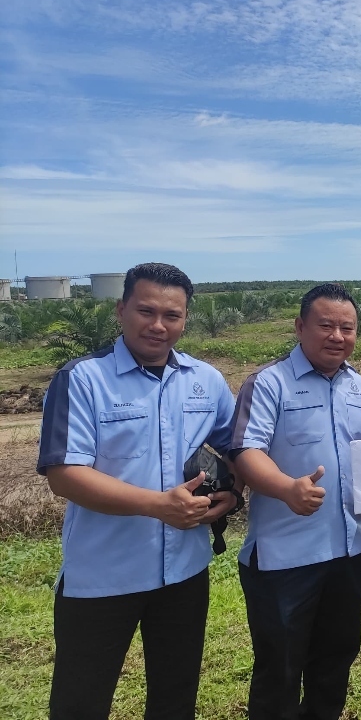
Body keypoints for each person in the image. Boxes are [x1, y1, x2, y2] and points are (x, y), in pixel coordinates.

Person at [37, 262, 238, 720]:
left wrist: (234, 492)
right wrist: (159, 506)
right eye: (146, 311)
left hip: (185, 573)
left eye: (173, 315)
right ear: (120, 309)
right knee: (81, 701)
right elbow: (64, 475)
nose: (159, 325)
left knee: (175, 695)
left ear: (186, 318)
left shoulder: (205, 380)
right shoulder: (83, 379)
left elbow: (236, 451)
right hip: (103, 574)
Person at [230, 283, 361, 720]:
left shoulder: (360, 388)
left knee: (335, 661)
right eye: (326, 325)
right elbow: (245, 452)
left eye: (347, 328)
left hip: (348, 551)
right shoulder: (268, 383)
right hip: (285, 559)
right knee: (279, 670)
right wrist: (285, 488)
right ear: (300, 327)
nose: (337, 336)